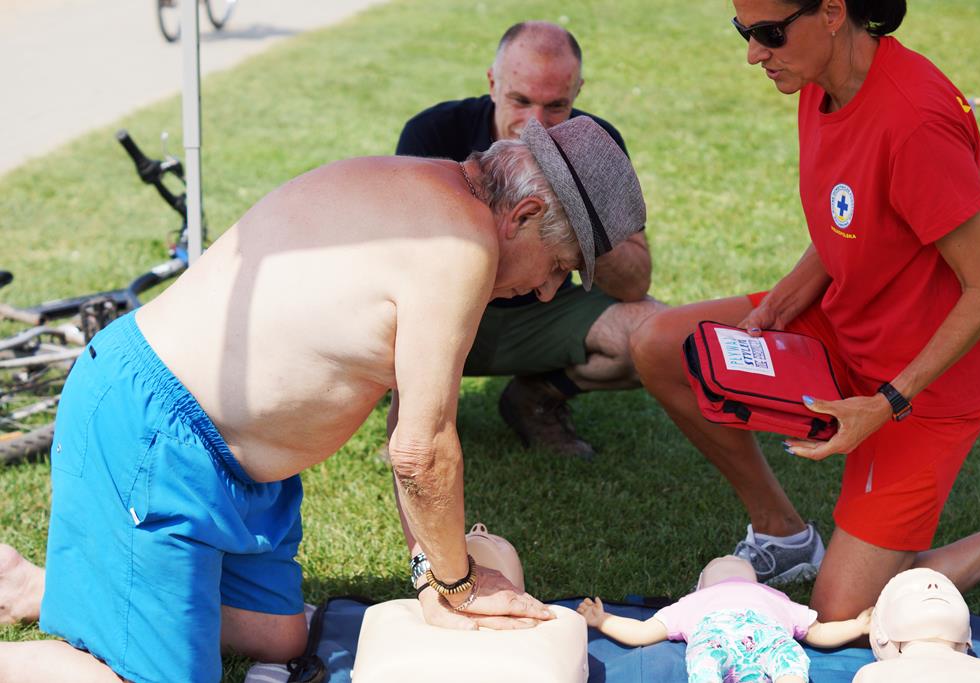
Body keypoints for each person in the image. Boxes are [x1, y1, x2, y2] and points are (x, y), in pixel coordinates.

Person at [0, 116, 647, 683]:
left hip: (226, 459)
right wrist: (459, 584)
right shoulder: (460, 243)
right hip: (155, 434)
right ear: (525, 215)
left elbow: (411, 423)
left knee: (278, 637)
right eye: (558, 265)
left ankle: (60, 587)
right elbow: (421, 450)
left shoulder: (441, 199)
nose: (547, 291)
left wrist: (433, 574)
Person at [629, 0, 980, 618]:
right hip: (848, 323)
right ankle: (784, 536)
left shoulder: (916, 120)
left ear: (834, 11)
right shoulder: (817, 80)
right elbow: (860, 215)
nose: (754, 54)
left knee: (842, 615)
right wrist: (784, 299)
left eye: (769, 34)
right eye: (744, 32)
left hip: (928, 384)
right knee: (660, 345)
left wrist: (887, 401)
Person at [396, 20, 664, 459]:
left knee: (656, 338)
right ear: (492, 84)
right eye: (520, 101)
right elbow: (403, 271)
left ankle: (535, 396)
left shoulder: (594, 144)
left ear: (577, 93)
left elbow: (635, 284)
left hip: (544, 313)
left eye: (556, 106)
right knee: (370, 312)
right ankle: (410, 414)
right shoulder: (434, 132)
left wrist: (584, 214)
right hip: (448, 316)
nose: (535, 126)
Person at [576, 555, 871, 683]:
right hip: (715, 643)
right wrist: (604, 620)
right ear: (700, 585)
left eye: (739, 561)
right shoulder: (690, 603)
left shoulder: (776, 599)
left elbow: (817, 631)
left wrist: (856, 626)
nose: (730, 558)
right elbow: (643, 631)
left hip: (771, 641)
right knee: (705, 664)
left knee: (789, 659)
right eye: (718, 562)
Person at [857, 567, 980, 682]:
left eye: (949, 591)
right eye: (908, 591)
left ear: (968, 635)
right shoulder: (873, 675)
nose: (933, 585)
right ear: (880, 632)